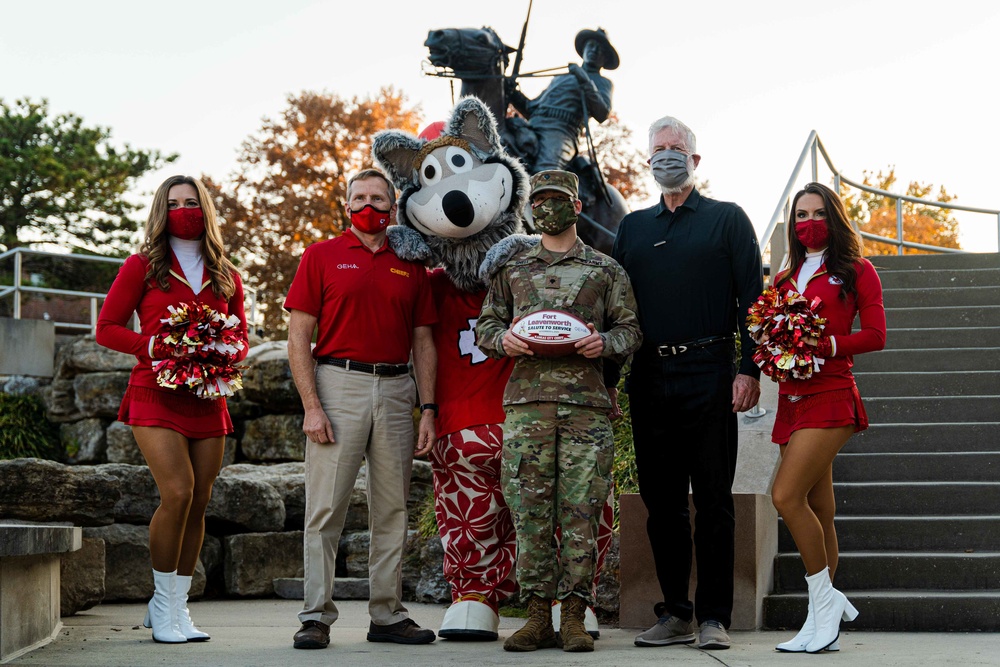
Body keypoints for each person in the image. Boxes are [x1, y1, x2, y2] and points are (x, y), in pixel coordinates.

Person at [605, 116, 763, 651]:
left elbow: (754, 304)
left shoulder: (727, 221)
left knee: (715, 499)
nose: (666, 156)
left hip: (711, 373)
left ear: (695, 160)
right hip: (648, 376)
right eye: (658, 149)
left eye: (676, 149)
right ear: (647, 161)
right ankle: (676, 613)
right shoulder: (634, 228)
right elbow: (616, 311)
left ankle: (715, 616)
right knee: (662, 502)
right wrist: (609, 382)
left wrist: (750, 369)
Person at [476, 169, 642, 653]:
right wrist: (501, 338)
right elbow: (487, 324)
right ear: (532, 208)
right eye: (540, 200)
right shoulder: (514, 269)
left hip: (586, 409)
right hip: (527, 407)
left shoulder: (605, 269)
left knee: (580, 514)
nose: (547, 208)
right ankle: (535, 619)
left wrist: (604, 342)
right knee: (528, 515)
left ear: (577, 205)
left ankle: (572, 616)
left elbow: (631, 330)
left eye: (557, 199)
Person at [285, 168, 438, 650]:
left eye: (377, 198)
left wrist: (428, 408)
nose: (367, 204)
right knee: (326, 507)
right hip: (337, 384)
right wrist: (312, 405)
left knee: (392, 509)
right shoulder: (322, 256)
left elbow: (423, 340)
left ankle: (388, 616)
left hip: (396, 390)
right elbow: (298, 335)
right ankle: (315, 616)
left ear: (392, 208)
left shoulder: (410, 263)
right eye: (359, 197)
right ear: (346, 204)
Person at [96, 175, 249, 644]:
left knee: (200, 501)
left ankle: (178, 609)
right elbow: (107, 328)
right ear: (162, 212)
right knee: (178, 492)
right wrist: (156, 346)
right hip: (155, 391)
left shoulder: (227, 271)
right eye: (174, 203)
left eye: (192, 202)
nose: (185, 210)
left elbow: (242, 333)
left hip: (208, 395)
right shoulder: (141, 265)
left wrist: (229, 350)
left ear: (205, 209)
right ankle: (162, 606)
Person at [769, 182, 885, 653]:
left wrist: (829, 345)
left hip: (833, 394)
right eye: (800, 215)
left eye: (817, 213)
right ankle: (821, 620)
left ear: (833, 218)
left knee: (785, 495)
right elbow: (773, 333)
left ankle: (826, 602)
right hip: (791, 398)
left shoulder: (857, 270)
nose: (808, 222)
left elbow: (876, 335)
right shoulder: (781, 278)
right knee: (821, 509)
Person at [506, 28, 617, 172]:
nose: (594, 50)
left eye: (600, 49)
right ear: (583, 49)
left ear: (605, 59)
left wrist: (584, 79)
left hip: (561, 133)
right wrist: (512, 93)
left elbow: (602, 113)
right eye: (591, 45)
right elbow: (531, 108)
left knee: (546, 172)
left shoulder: (602, 82)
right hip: (533, 125)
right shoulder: (560, 78)